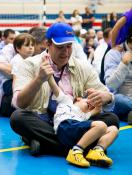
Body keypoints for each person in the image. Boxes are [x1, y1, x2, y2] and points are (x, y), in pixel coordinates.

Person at [10, 22, 119, 157]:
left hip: (73, 121)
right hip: (42, 119)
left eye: (69, 46)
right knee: (18, 118)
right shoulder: (29, 65)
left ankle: (43, 142)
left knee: (112, 119)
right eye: (60, 47)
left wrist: (106, 97)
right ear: (48, 44)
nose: (66, 52)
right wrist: (38, 80)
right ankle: (85, 146)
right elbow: (19, 103)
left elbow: (105, 93)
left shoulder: (81, 67)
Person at [48, 70, 118, 167]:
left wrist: (94, 94)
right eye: (88, 101)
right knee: (101, 126)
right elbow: (55, 87)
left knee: (113, 129)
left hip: (77, 134)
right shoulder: (66, 101)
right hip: (65, 127)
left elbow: (98, 108)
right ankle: (75, 151)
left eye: (92, 105)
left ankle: (97, 150)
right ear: (78, 99)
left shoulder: (85, 115)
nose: (91, 105)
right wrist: (48, 75)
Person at [104, 29, 132, 124]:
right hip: (121, 100)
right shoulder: (113, 54)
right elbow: (110, 85)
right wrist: (123, 64)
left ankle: (129, 115)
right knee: (118, 99)